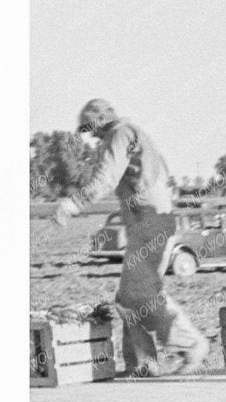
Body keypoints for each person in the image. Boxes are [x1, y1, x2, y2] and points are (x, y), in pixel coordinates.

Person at [51, 100, 210, 377]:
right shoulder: (135, 134)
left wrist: (73, 203)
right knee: (127, 298)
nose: (91, 135)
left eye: (91, 127)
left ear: (101, 120)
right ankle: (142, 365)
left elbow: (106, 178)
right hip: (151, 221)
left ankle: (191, 345)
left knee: (141, 294)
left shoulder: (120, 134)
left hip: (150, 222)